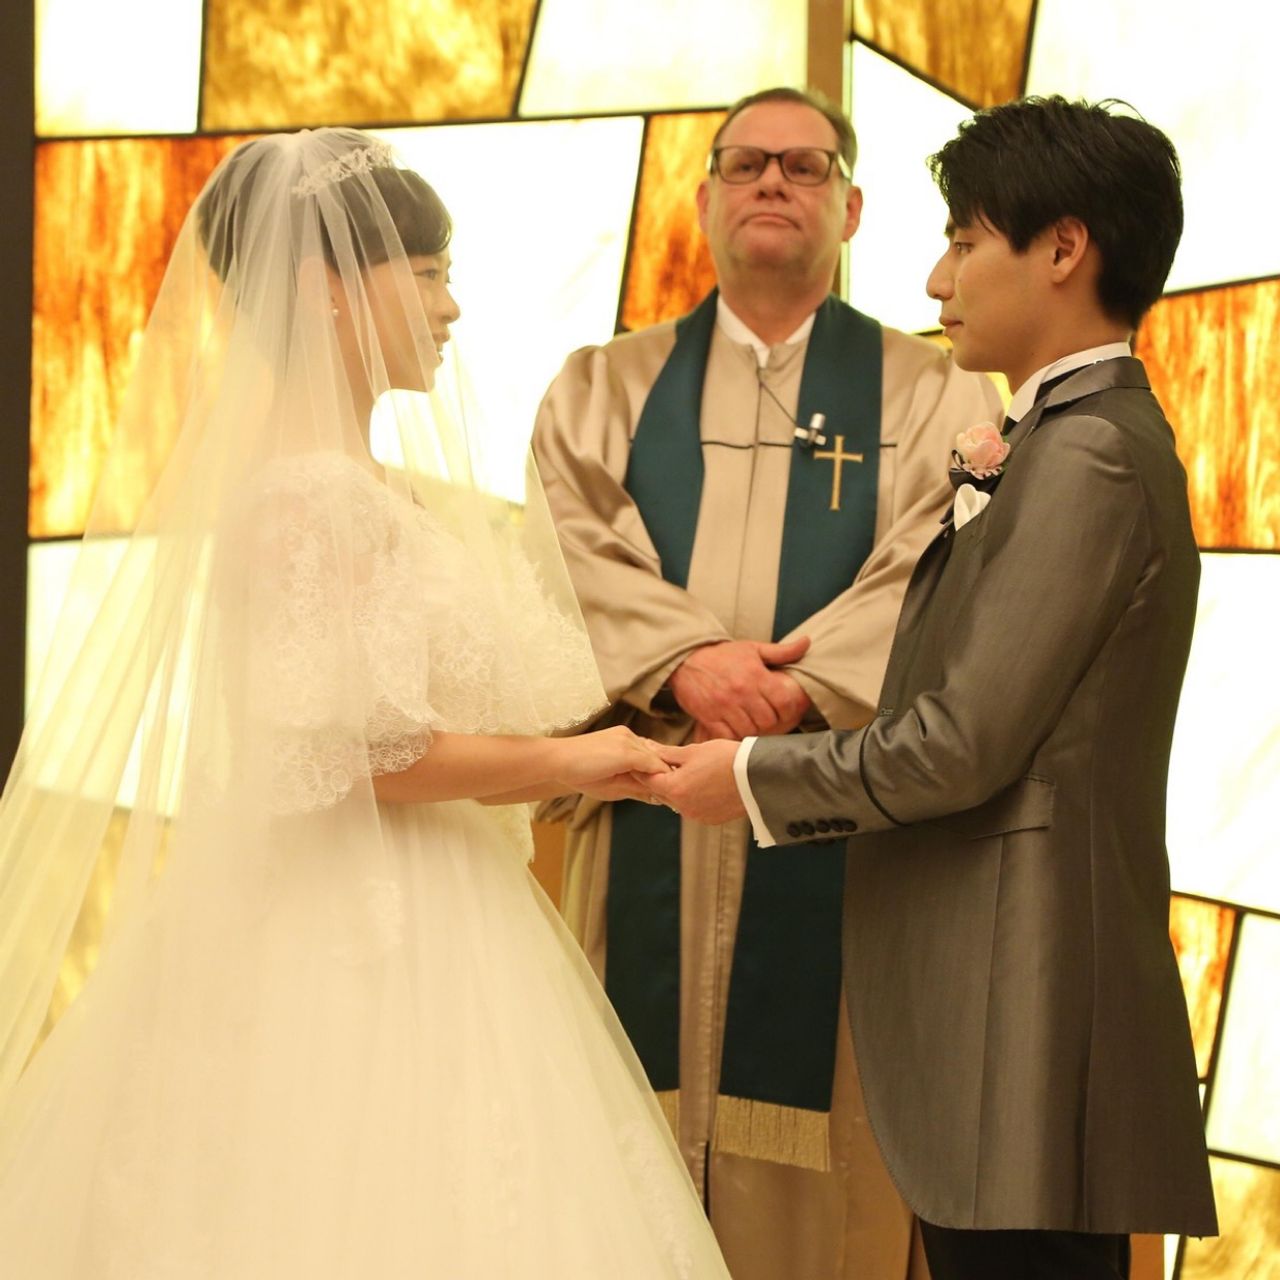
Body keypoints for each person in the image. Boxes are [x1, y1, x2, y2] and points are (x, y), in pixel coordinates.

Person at [0, 128, 736, 1277]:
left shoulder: (359, 486)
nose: (450, 307)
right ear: (327, 287)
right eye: (429, 274)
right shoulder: (310, 501)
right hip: (356, 923)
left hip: (431, 899)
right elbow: (358, 756)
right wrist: (579, 762)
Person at [646, 96, 1219, 1279]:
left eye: (962, 242)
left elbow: (957, 743)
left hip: (1026, 1009)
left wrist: (747, 776)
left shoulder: (1087, 452)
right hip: (995, 1007)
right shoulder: (1054, 436)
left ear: (1062, 249)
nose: (933, 279)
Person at [533, 85, 1001, 1280]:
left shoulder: (935, 393)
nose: (772, 184)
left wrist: (801, 688)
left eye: (804, 165)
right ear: (703, 201)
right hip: (649, 795)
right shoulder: (600, 387)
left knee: (823, 1160)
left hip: (836, 814)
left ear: (852, 205)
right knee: (612, 1147)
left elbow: (935, 565)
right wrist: (686, 660)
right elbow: (564, 549)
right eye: (744, 164)